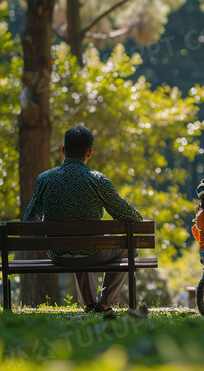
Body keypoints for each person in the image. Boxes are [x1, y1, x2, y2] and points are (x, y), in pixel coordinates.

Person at [23, 126, 143, 313]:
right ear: (90, 152)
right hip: (93, 251)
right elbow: (129, 217)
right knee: (128, 245)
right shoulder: (98, 180)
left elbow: (29, 221)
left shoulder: (44, 179)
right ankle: (104, 303)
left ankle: (89, 304)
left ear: (63, 150)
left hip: (58, 253)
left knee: (73, 242)